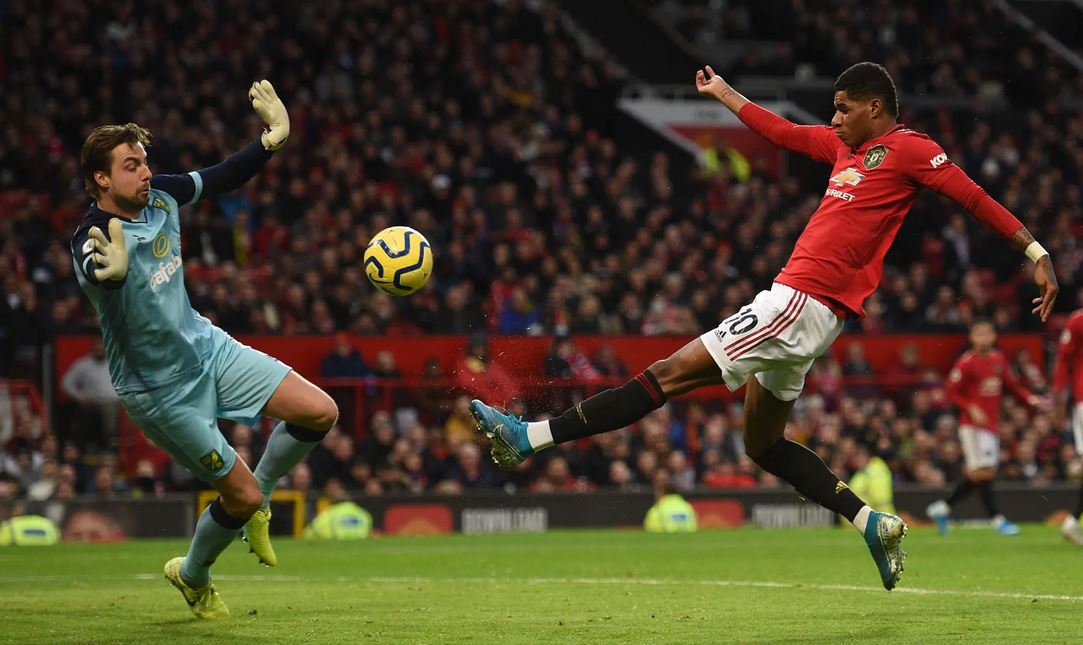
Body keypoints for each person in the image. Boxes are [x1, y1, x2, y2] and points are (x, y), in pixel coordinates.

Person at [471, 62, 1059, 591]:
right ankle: (870, 522)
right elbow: (782, 132)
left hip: (800, 302)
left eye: (843, 109)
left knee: (666, 375)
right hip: (807, 312)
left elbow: (973, 197)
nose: (834, 119)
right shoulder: (843, 149)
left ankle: (531, 438)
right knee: (763, 444)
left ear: (875, 106)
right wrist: (725, 93)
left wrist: (1034, 252)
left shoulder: (909, 149)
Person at [70, 80, 338, 619]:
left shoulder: (161, 195)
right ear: (101, 178)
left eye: (145, 162)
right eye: (131, 166)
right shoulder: (91, 235)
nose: (145, 173)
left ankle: (261, 498)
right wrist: (111, 274)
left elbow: (221, 177)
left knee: (320, 412)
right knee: (238, 496)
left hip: (207, 347)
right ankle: (193, 575)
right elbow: (95, 269)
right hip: (159, 391)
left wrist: (270, 141)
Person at [927, 320, 1045, 535]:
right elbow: (951, 391)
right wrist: (971, 407)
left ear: (993, 336)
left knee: (980, 474)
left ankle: (942, 507)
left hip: (991, 425)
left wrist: (1029, 398)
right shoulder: (966, 362)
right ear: (971, 337)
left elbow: (1013, 385)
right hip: (972, 426)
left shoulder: (998, 360)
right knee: (985, 473)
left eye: (987, 333)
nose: (983, 338)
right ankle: (996, 519)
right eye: (979, 334)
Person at [1052, 307, 1083, 545]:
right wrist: (1059, 401)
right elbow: (1063, 361)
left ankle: (1071, 522)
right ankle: (1071, 522)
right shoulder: (1078, 320)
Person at [59, 339, 119, 453]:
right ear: (92, 349)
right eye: (97, 348)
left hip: (118, 401)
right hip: (96, 402)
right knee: (109, 409)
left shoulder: (113, 362)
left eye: (102, 348)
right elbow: (66, 383)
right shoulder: (83, 364)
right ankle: (110, 442)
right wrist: (80, 397)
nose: (100, 350)